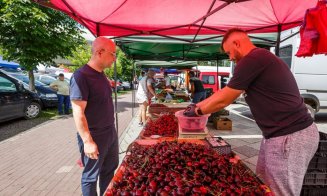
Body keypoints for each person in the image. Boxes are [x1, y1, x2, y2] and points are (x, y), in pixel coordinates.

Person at [184, 28, 319, 196]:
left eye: (229, 52)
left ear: (237, 43)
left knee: (280, 192)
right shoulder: (258, 59)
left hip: (290, 136)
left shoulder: (254, 59)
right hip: (278, 135)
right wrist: (195, 105)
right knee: (263, 184)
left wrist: (197, 112)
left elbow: (224, 99)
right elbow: (224, 91)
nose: (230, 57)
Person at [70, 37, 119, 196]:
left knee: (109, 170)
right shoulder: (81, 76)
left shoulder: (102, 75)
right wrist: (87, 142)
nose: (114, 58)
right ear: (100, 52)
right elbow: (78, 111)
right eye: (113, 54)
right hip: (95, 134)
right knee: (91, 176)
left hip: (109, 131)